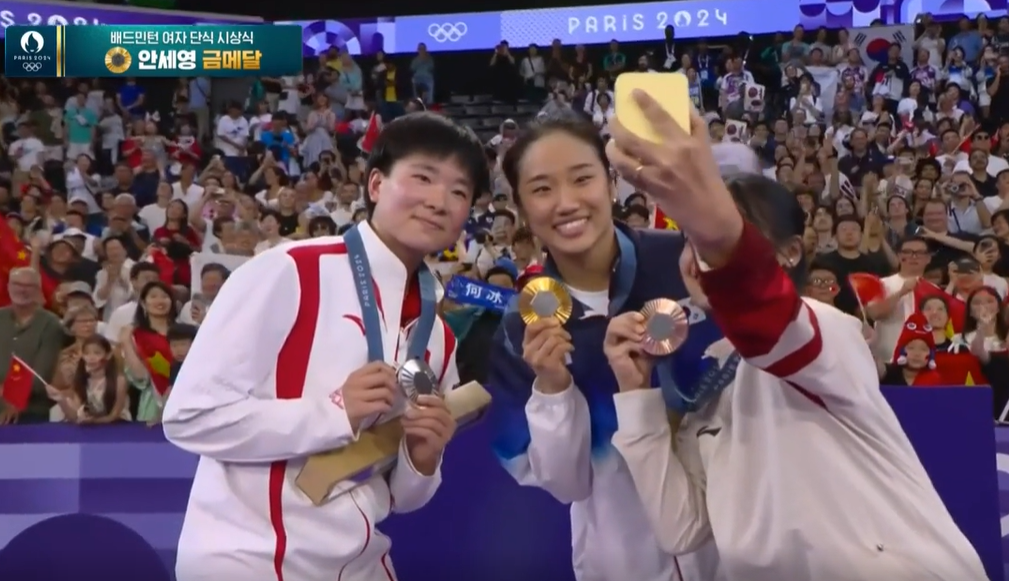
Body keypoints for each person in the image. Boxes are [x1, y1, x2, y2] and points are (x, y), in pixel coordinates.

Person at [603, 93, 987, 580]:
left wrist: (716, 232)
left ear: (788, 253)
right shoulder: (706, 381)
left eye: (724, 237)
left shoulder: (829, 332)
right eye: (690, 240)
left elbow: (766, 317)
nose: (700, 255)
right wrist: (636, 394)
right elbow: (681, 529)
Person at [161, 112, 488, 580]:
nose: (439, 201)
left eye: (459, 191)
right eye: (423, 177)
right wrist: (334, 412)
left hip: (363, 562)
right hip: (249, 557)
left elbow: (402, 497)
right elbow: (189, 416)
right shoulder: (290, 270)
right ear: (376, 184)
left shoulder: (438, 334)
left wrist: (422, 457)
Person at [488, 112, 721, 581]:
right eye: (542, 189)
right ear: (521, 208)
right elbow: (566, 485)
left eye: (582, 179)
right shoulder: (519, 330)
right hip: (624, 562)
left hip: (736, 544)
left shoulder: (686, 260)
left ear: (611, 182)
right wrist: (553, 389)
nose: (566, 202)